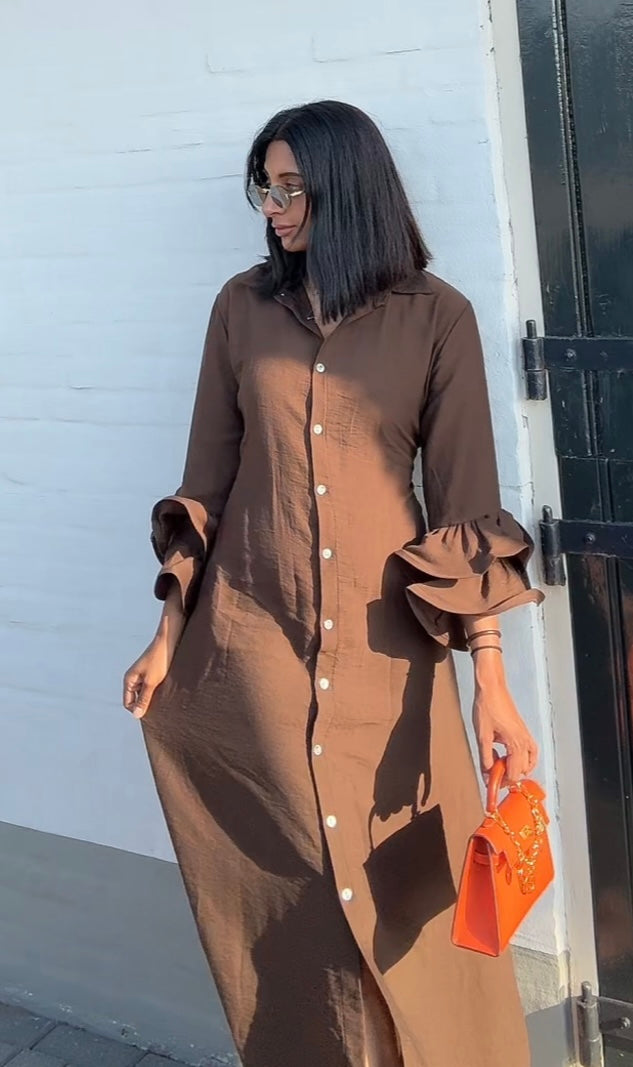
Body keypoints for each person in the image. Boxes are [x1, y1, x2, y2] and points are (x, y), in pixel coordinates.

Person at [123, 100, 543, 1067]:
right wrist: (166, 634)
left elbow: (464, 507)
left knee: (409, 894)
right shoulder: (240, 308)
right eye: (262, 188)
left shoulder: (436, 318)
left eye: (289, 187)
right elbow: (207, 485)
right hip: (253, 646)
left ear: (345, 189)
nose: (270, 207)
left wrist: (491, 682)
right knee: (304, 902)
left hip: (389, 658)